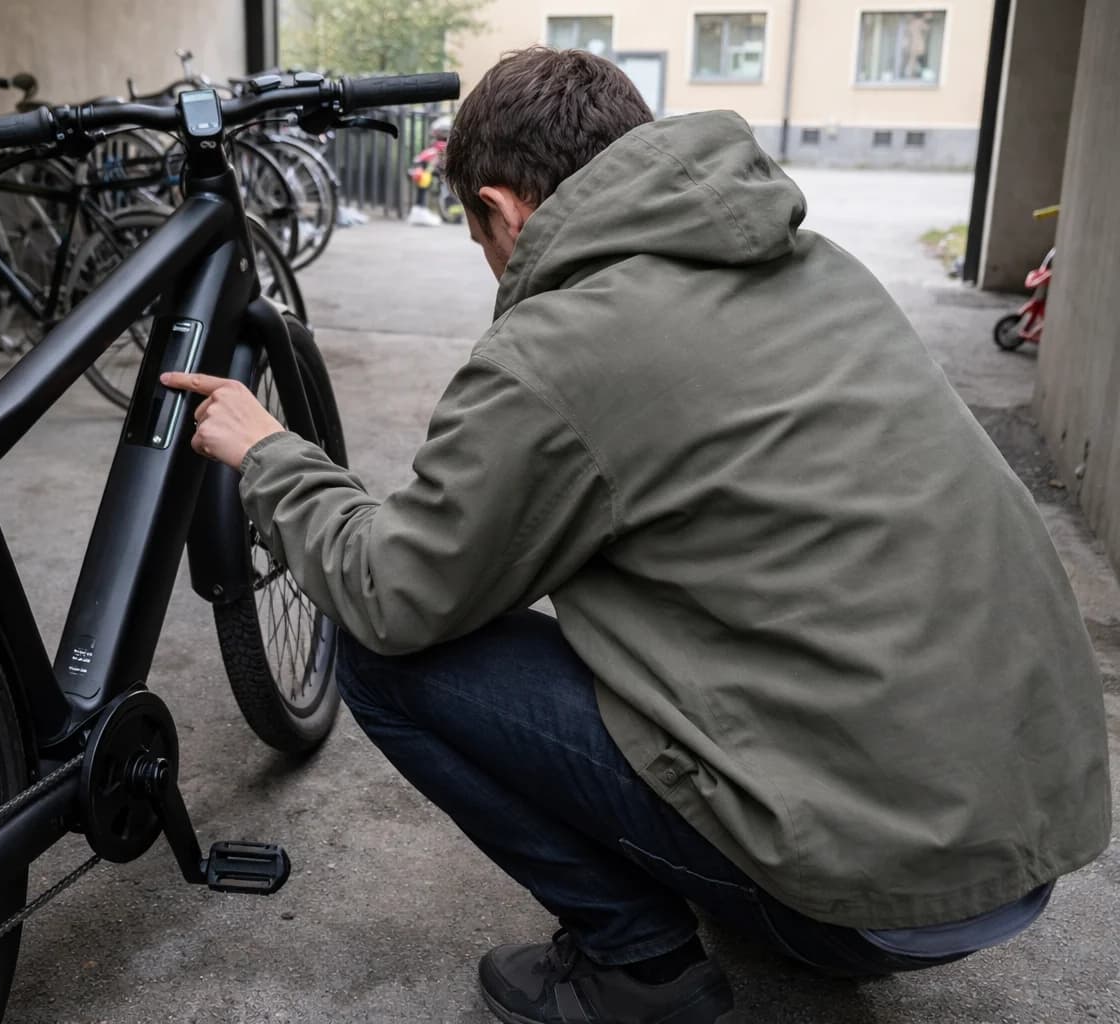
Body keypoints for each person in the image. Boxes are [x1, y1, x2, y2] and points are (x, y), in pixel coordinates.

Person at [162, 46, 1111, 1024]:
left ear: (503, 208)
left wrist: (271, 453)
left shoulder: (560, 350)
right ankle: (788, 878)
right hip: (1022, 843)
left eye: (481, 238)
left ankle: (640, 967)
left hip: (876, 898)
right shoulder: (818, 267)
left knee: (382, 659)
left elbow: (392, 590)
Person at [406, 115, 452, 226]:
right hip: (425, 172)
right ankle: (420, 210)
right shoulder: (438, 149)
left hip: (428, 172)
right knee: (425, 176)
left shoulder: (435, 148)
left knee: (426, 176)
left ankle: (420, 209)